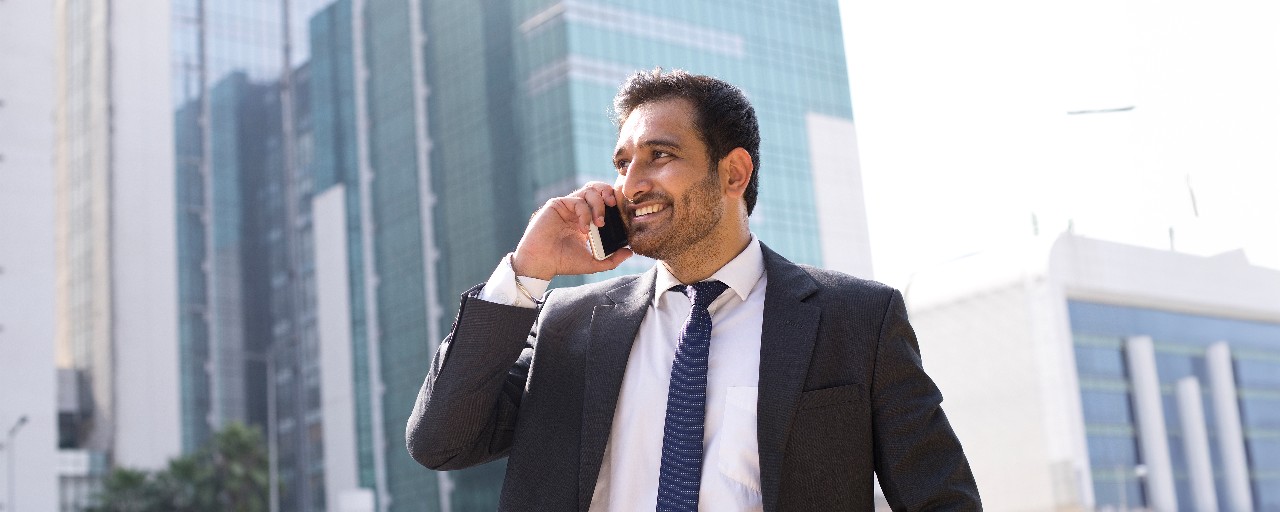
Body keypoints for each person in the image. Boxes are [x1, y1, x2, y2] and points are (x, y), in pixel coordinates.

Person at [407, 69, 981, 511]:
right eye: (623, 163)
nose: (631, 185)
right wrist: (526, 271)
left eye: (660, 155)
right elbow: (440, 440)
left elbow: (941, 500)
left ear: (734, 173)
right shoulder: (568, 325)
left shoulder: (857, 320)